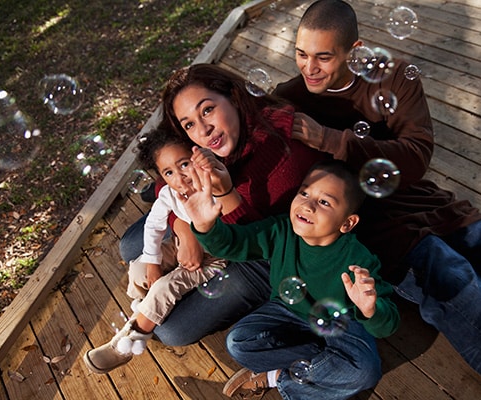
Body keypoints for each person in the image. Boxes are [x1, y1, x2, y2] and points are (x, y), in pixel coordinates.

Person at [272, 1, 481, 399]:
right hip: (383, 233)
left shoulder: (393, 78)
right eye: (301, 54)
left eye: (323, 57)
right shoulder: (288, 100)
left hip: (431, 204)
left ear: (354, 50)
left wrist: (331, 139)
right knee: (469, 296)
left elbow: (416, 155)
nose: (309, 67)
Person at [118, 64, 328, 347]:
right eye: (189, 123)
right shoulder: (199, 141)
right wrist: (184, 228)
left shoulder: (285, 156)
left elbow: (266, 244)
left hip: (263, 254)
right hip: (206, 223)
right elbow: (165, 181)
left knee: (172, 332)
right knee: (130, 245)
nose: (203, 130)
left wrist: (227, 194)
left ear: (234, 97)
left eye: (207, 110)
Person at [180, 159, 399, 399]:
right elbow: (236, 243)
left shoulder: (359, 258)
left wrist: (370, 310)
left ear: (347, 223)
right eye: (304, 193)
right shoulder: (280, 229)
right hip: (288, 311)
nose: (307, 205)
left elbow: (387, 324)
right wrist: (205, 226)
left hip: (342, 322)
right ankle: (323, 365)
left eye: (324, 202)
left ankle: (277, 377)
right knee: (238, 343)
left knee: (366, 372)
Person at [83, 128, 232, 374]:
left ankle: (127, 343)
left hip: (213, 257)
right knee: (139, 267)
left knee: (165, 287)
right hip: (178, 243)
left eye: (184, 164)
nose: (180, 177)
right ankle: (146, 306)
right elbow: (153, 226)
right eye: (169, 172)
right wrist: (153, 263)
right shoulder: (168, 193)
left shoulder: (214, 186)